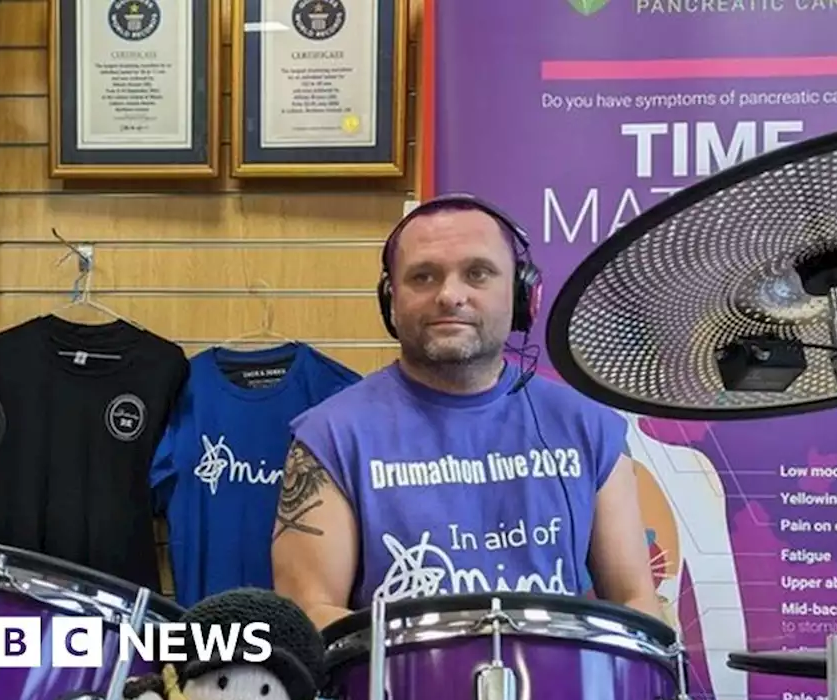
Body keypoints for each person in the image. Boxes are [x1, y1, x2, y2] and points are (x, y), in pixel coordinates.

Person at [270, 193, 662, 629]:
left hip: (560, 691)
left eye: (478, 274)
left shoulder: (589, 428)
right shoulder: (330, 437)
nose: (450, 295)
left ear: (521, 294)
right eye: (423, 277)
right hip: (395, 693)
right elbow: (310, 614)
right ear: (390, 301)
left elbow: (634, 601)